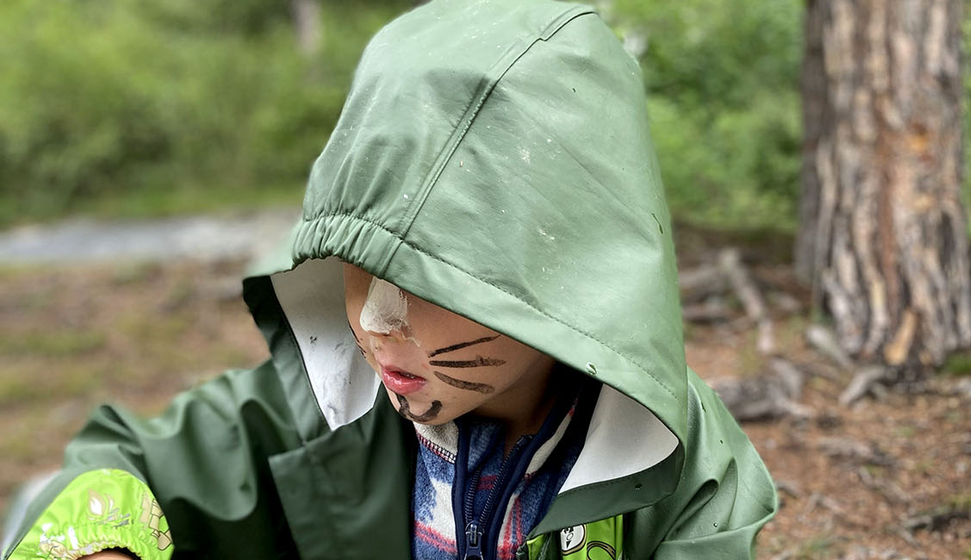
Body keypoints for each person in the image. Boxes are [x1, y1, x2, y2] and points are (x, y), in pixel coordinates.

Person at [3, 0, 777, 558]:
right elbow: (123, 462)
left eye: (430, 277)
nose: (374, 321)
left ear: (560, 273)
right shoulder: (325, 414)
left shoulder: (684, 470)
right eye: (358, 263)